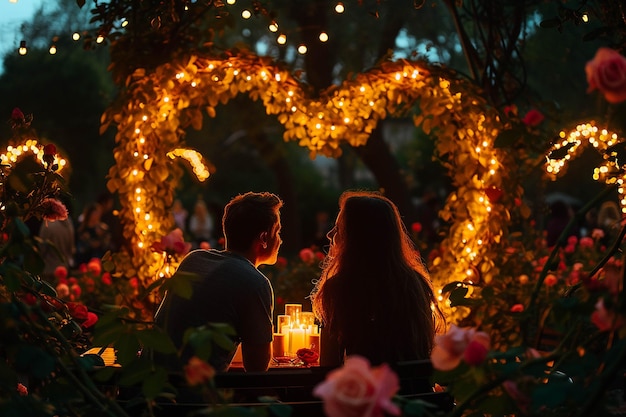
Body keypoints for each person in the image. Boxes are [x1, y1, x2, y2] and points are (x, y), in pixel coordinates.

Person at [310, 190, 445, 367]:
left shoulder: (341, 288)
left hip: (371, 392)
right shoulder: (416, 284)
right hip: (416, 393)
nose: (329, 235)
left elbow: (329, 365)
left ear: (355, 237)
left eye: (338, 229)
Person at [154, 192, 283, 372]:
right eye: (277, 232)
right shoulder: (254, 282)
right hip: (192, 395)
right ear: (263, 238)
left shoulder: (194, 259)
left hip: (148, 384)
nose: (280, 240)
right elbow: (257, 369)